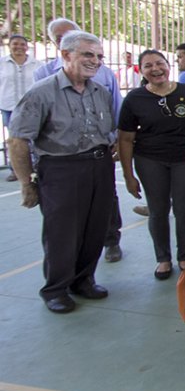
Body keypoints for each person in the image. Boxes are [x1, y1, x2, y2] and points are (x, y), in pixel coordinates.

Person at [7, 31, 115, 313]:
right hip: (62, 169)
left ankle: (84, 280)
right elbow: (18, 140)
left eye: (99, 56)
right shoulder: (41, 92)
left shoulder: (100, 92)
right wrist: (26, 183)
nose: (95, 61)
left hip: (99, 165)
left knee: (95, 227)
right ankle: (55, 289)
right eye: (88, 54)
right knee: (62, 232)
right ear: (66, 55)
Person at [35, 18, 124, 262]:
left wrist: (117, 141)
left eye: (98, 56)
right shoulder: (44, 77)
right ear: (61, 48)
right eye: (60, 37)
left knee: (104, 206)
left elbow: (116, 109)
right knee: (63, 221)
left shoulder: (103, 74)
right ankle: (61, 278)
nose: (94, 61)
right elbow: (29, 128)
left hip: (99, 156)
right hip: (62, 160)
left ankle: (109, 243)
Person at [117, 50, 185, 280]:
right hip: (149, 160)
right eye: (148, 66)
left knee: (184, 208)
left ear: (168, 65)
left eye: (159, 63)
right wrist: (128, 176)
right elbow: (125, 139)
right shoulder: (134, 99)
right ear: (141, 71)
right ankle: (163, 259)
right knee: (158, 209)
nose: (155, 69)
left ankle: (184, 256)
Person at [0, 34, 42, 181]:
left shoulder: (36, 64)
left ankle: (35, 167)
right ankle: (16, 170)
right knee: (15, 140)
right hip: (9, 106)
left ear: (26, 47)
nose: (19, 47)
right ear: (9, 46)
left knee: (34, 138)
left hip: (31, 107)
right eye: (15, 44)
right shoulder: (2, 63)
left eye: (22, 44)